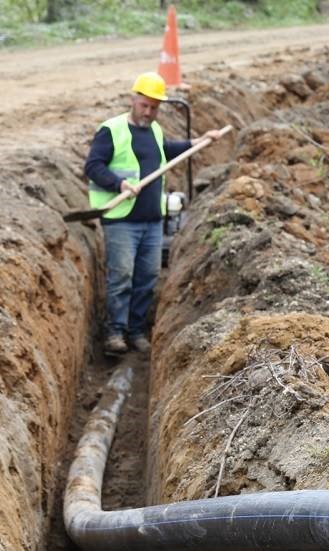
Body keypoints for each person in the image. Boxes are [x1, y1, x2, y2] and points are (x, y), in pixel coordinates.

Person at [85, 72, 222, 355]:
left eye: (154, 107)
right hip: (121, 219)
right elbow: (93, 166)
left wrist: (198, 141)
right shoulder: (112, 130)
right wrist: (119, 184)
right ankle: (115, 332)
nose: (148, 112)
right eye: (144, 105)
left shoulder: (154, 130)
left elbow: (165, 151)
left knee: (147, 277)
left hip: (151, 219)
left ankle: (136, 330)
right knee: (122, 276)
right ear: (133, 99)